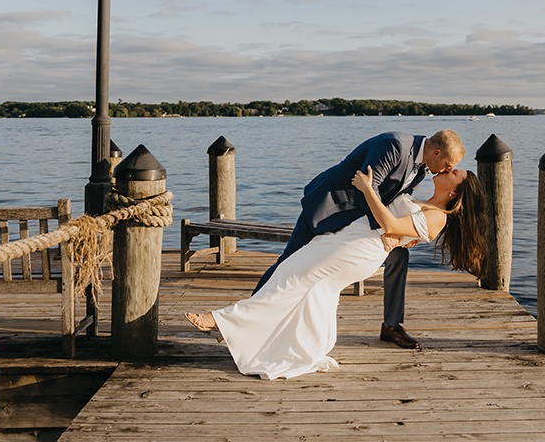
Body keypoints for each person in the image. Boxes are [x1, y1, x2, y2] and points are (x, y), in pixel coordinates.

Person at [184, 163, 487, 380]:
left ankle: (223, 321)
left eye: (455, 173)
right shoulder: (421, 200)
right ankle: (310, 349)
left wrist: (368, 189)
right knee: (316, 294)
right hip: (347, 240)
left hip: (358, 250)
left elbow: (391, 225)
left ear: (457, 193)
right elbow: (397, 227)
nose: (449, 169)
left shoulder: (438, 218)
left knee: (291, 275)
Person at [253, 130, 464, 349]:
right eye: (449, 164)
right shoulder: (395, 145)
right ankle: (251, 315)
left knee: (399, 255)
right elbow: (366, 185)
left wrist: (410, 233)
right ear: (437, 153)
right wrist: (387, 230)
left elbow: (398, 199)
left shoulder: (421, 167)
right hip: (331, 205)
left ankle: (391, 325)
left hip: (361, 221)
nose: (448, 169)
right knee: (288, 262)